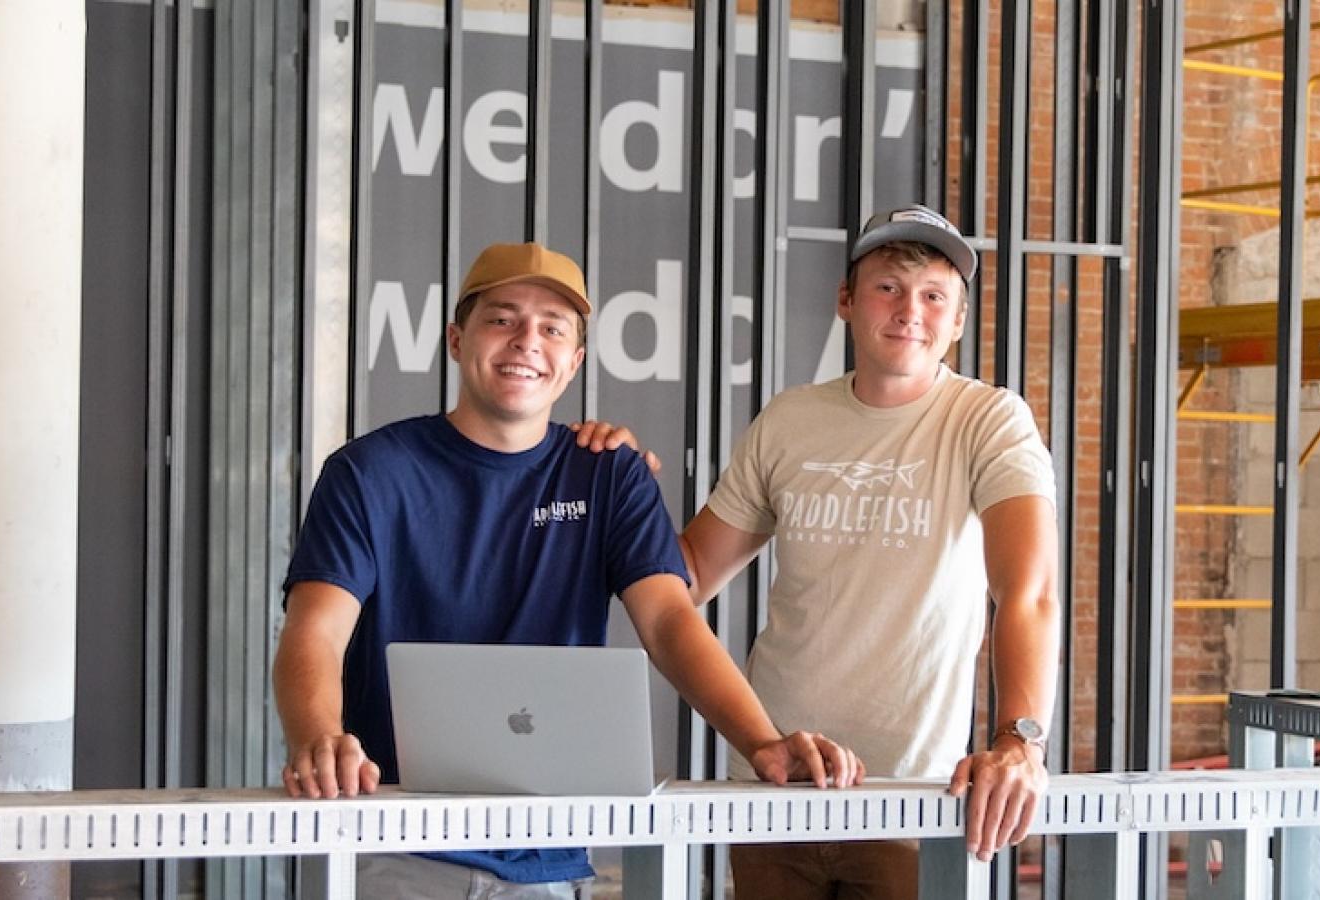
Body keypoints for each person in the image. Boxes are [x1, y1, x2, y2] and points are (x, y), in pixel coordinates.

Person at [273, 242, 863, 899]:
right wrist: (320, 740)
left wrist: (762, 743)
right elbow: (315, 633)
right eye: (502, 318)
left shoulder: (609, 473)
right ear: (455, 338)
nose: (527, 341)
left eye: (552, 328)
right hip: (393, 846)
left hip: (549, 856)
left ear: (573, 361)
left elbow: (669, 620)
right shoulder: (369, 473)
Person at [580, 205, 1060, 899]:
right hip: (778, 784)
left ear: (957, 321)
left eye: (934, 296)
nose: (909, 311)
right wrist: (617, 481)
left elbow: (1030, 592)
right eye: (888, 287)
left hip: (909, 796)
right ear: (846, 301)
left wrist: (1022, 741)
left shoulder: (987, 420)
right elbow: (688, 575)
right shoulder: (790, 419)